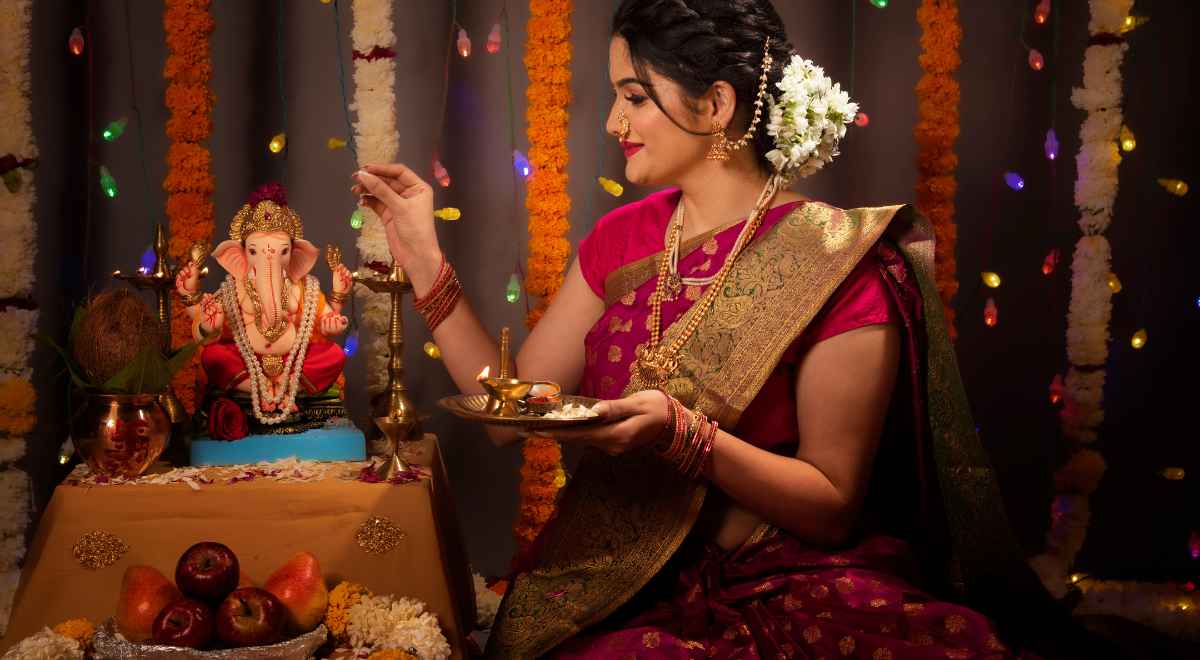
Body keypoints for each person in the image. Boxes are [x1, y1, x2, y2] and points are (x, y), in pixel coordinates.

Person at [352, 2, 1116, 657]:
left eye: (635, 96)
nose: (615, 121)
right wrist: (422, 256)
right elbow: (504, 418)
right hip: (621, 573)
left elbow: (832, 501)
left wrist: (683, 436)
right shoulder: (622, 240)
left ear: (715, 106)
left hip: (792, 572)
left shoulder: (834, 258)